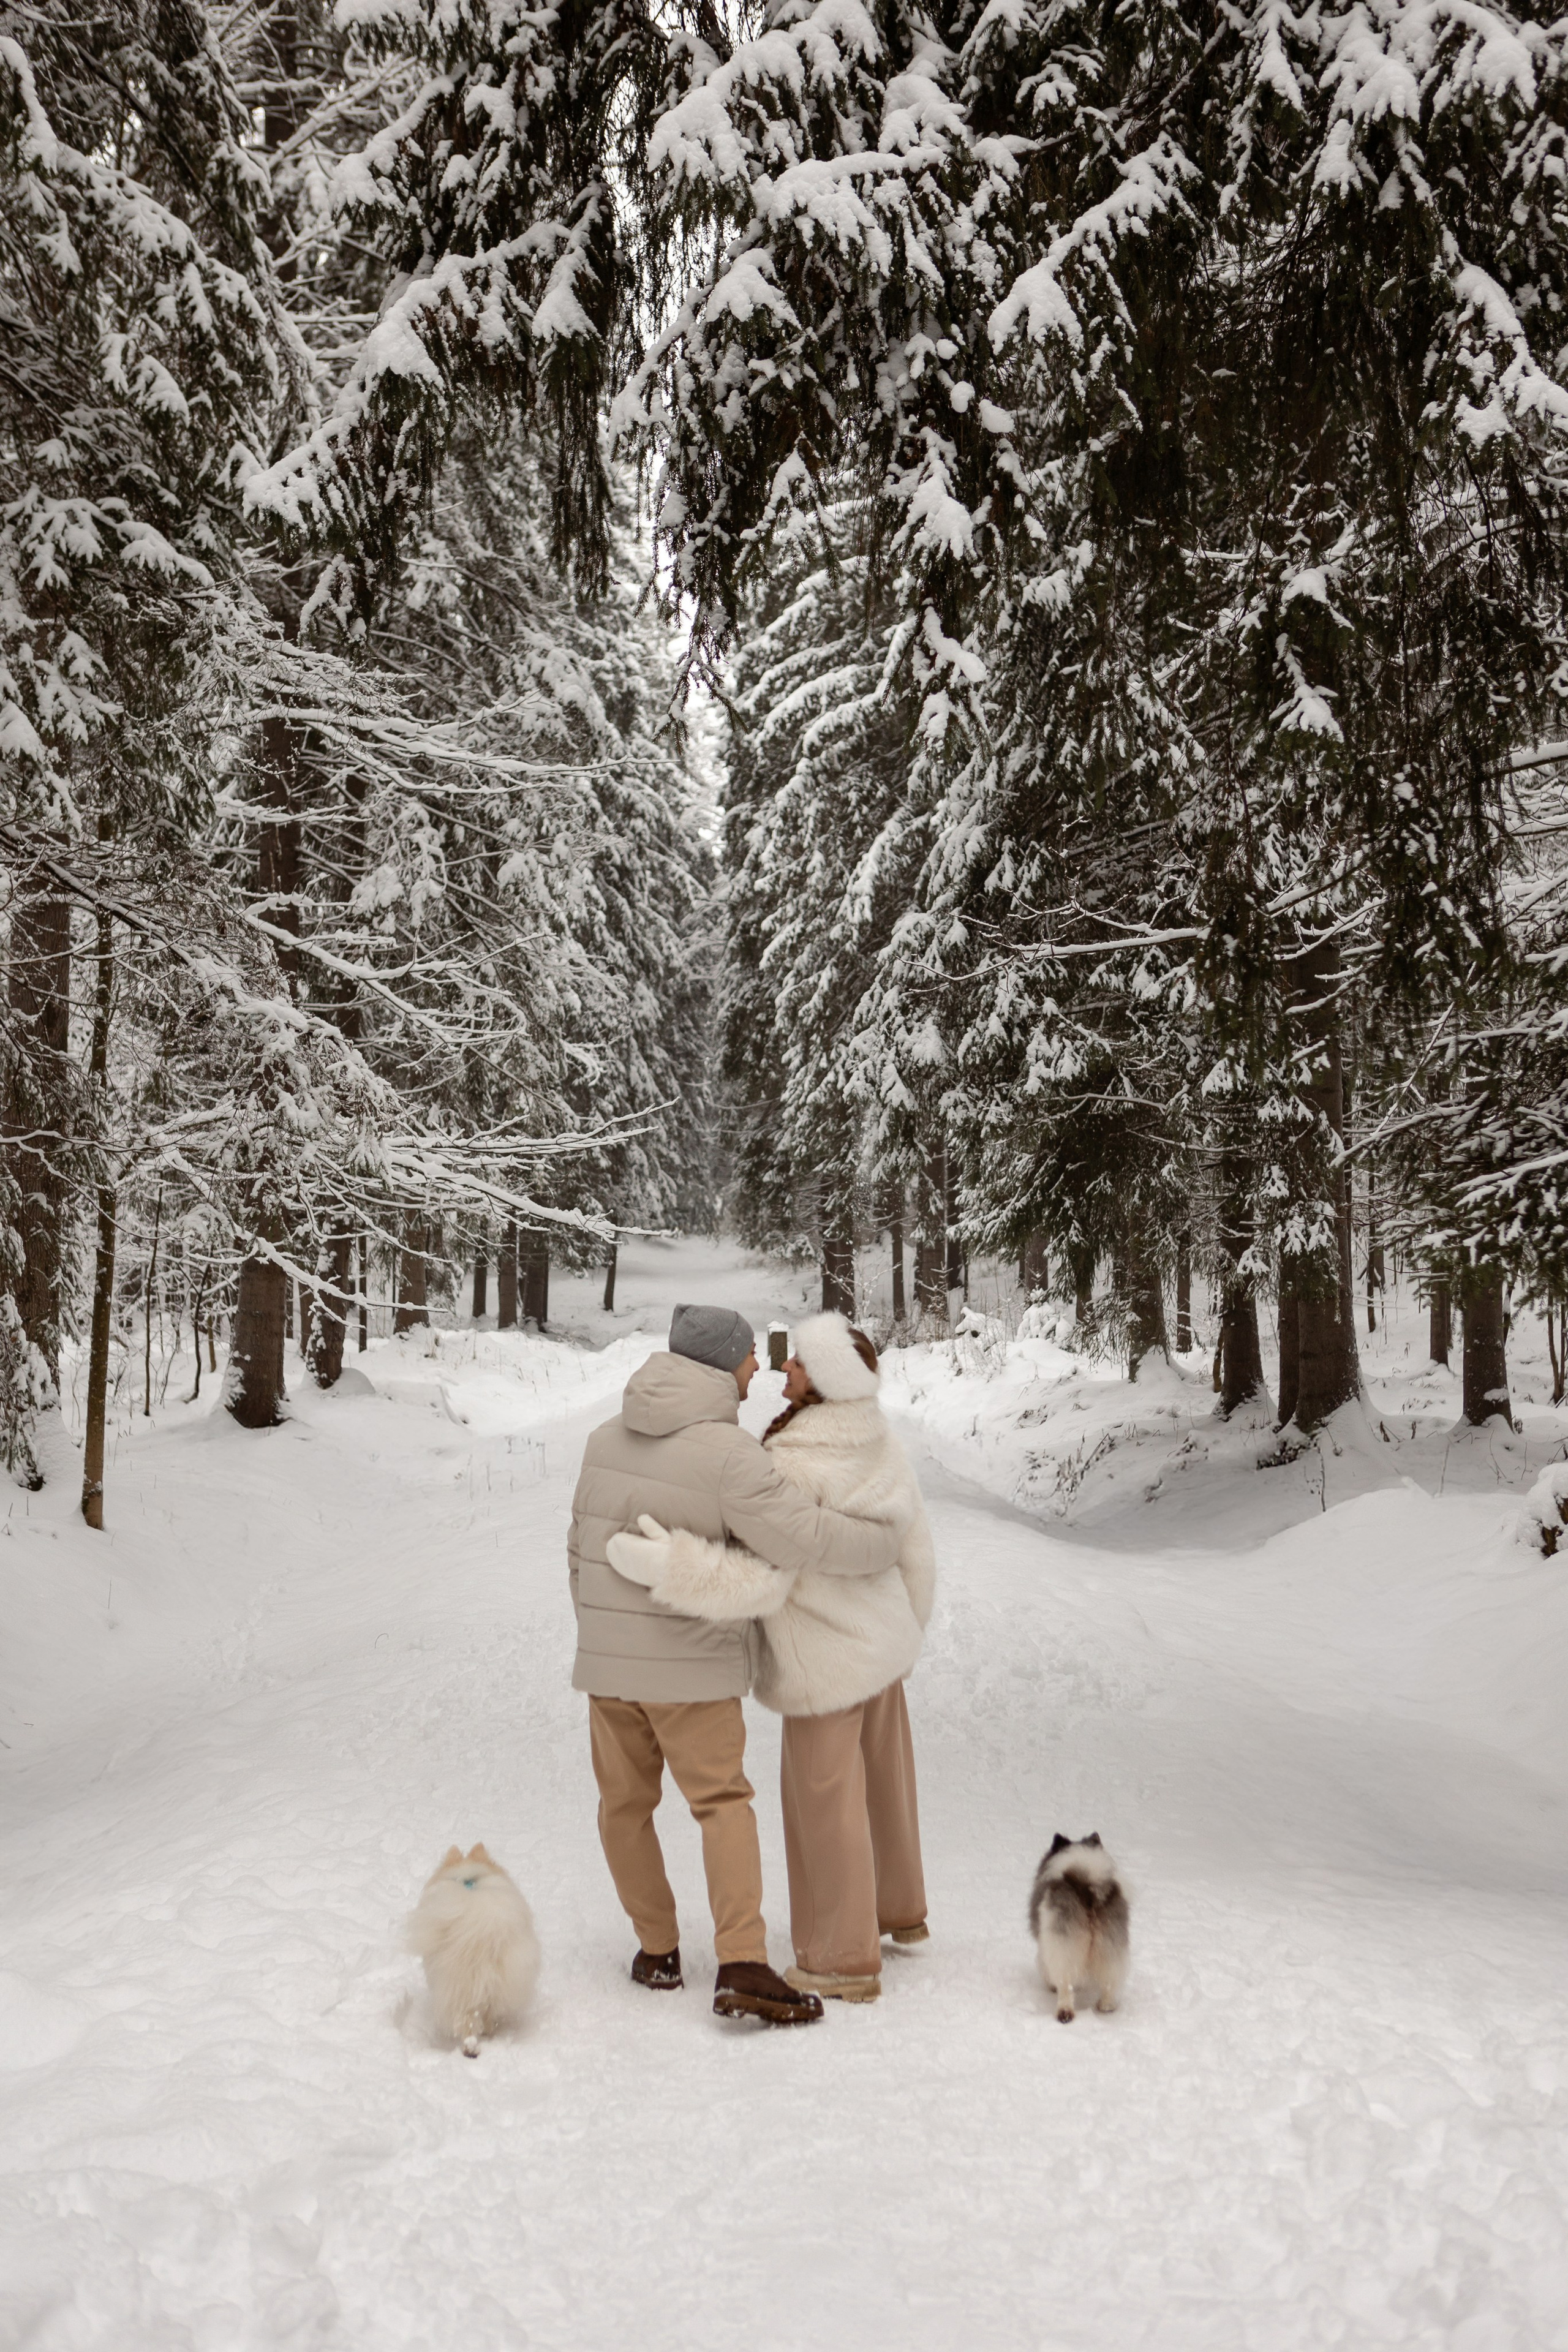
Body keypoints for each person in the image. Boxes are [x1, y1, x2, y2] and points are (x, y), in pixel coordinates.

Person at [568, 1302, 904, 2027]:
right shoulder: (728, 1455)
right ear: (723, 1361)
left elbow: (578, 1550)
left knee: (623, 1809)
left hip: (606, 1673)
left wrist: (601, 1637)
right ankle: (742, 1963)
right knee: (721, 1806)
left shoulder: (601, 1439)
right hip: (691, 1672)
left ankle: (656, 1952)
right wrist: (884, 1546)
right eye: (751, 1353)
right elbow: (803, 1539)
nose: (760, 1367)